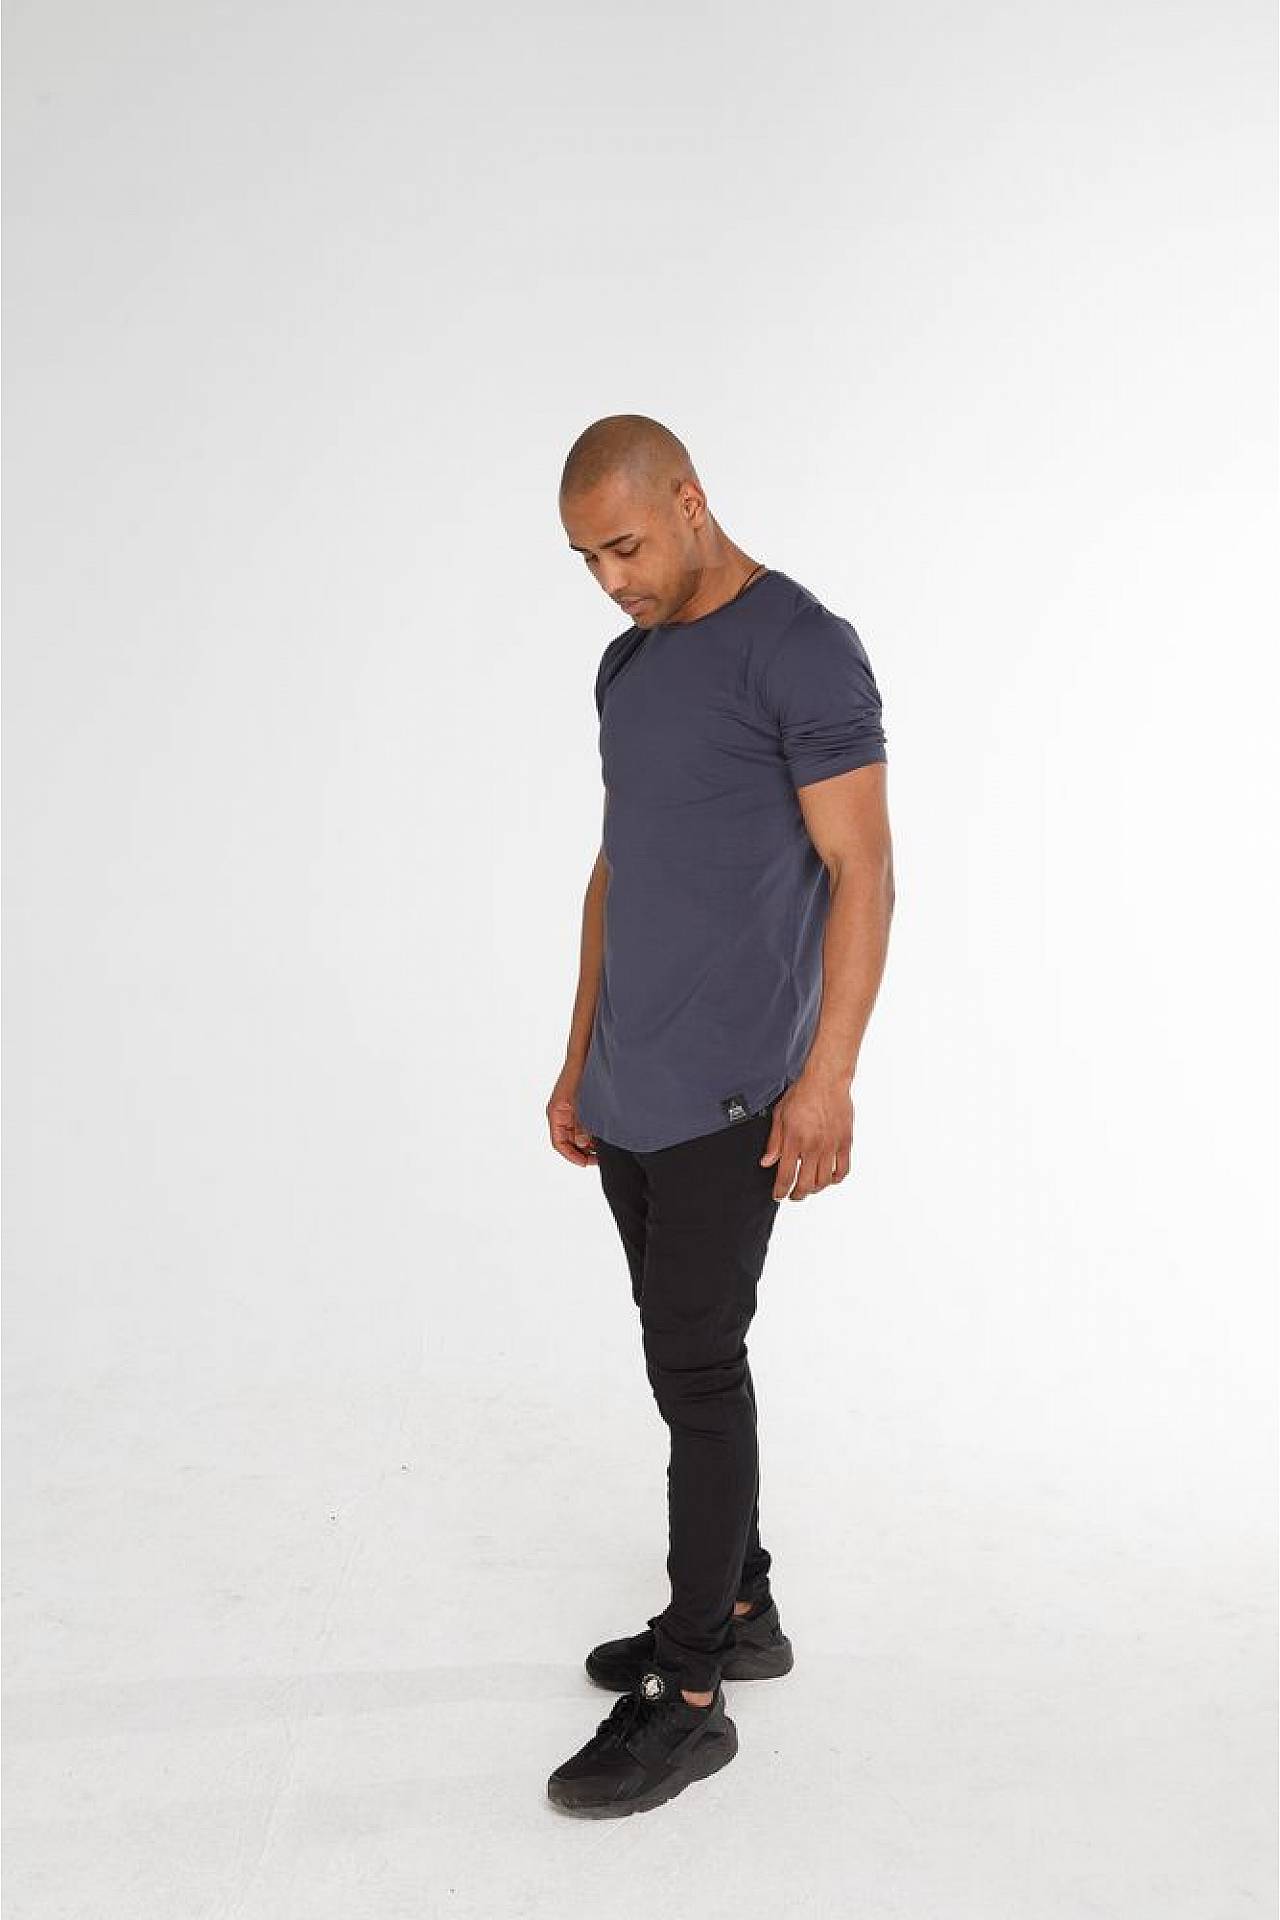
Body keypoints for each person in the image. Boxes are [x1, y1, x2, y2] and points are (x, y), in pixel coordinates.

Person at [544, 414, 895, 1818]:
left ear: (690, 501)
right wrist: (577, 1056)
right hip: (631, 1085)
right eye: (586, 560)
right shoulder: (626, 666)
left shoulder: (802, 647)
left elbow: (863, 872)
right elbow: (615, 870)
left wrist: (830, 1077)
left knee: (698, 1372)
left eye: (625, 547)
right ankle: (740, 1608)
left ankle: (690, 1698)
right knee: (676, 1351)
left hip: (735, 1095)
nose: (611, 581)